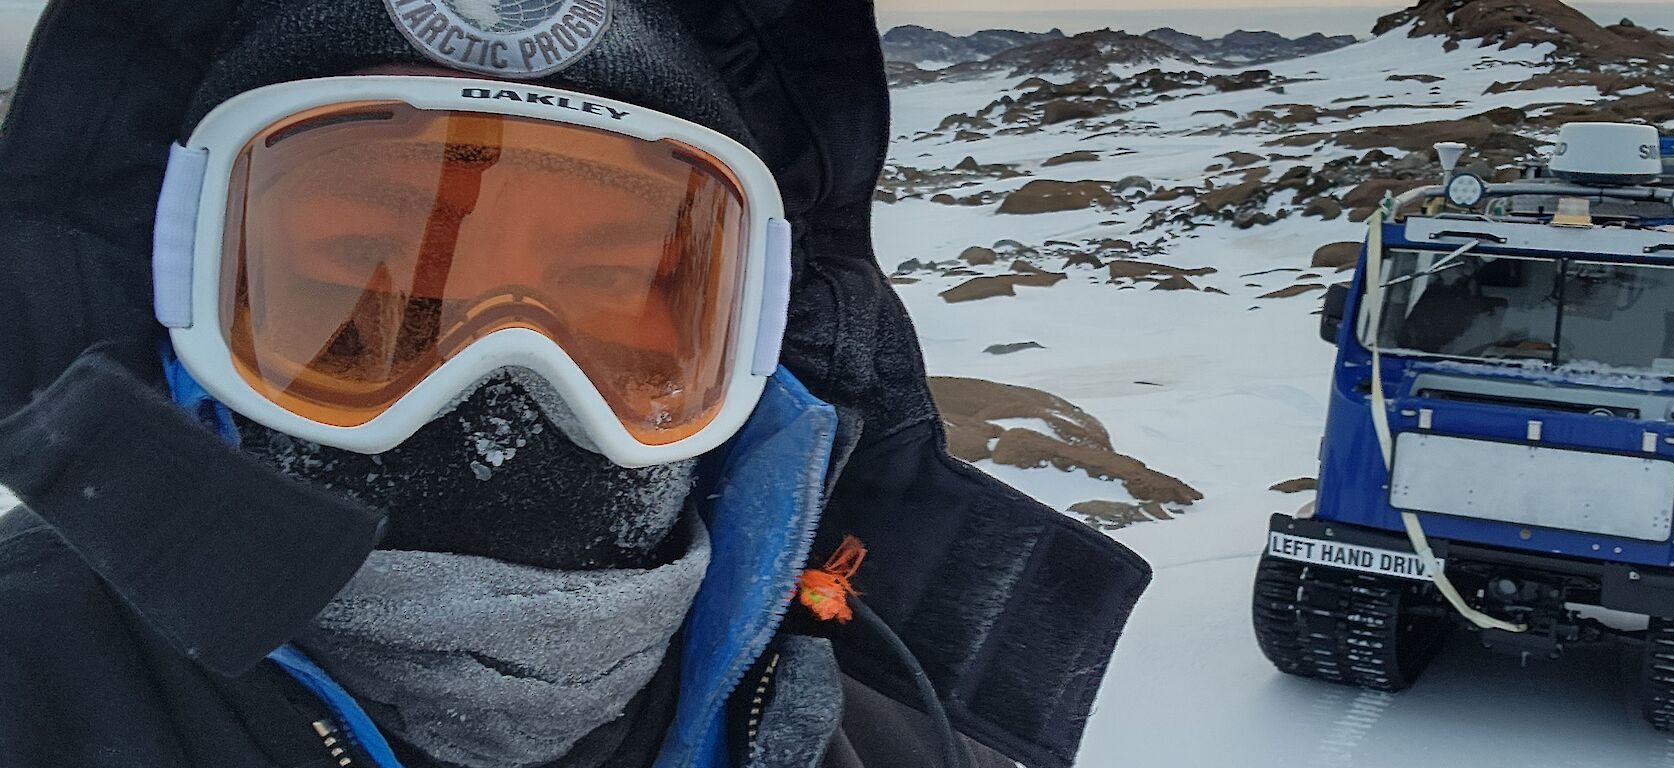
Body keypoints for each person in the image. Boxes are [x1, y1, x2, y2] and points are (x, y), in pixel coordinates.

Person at [0, 2, 1150, 768]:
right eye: (371, 282)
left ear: (753, 332)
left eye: (610, 285)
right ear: (179, 284)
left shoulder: (884, 733)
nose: (501, 390)